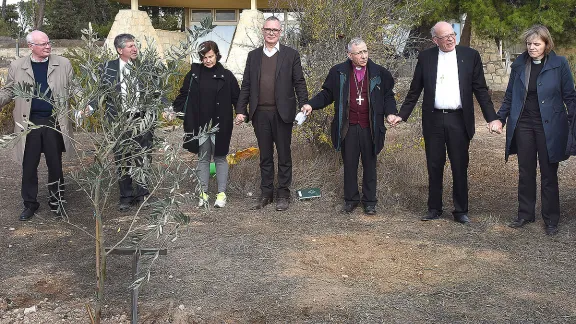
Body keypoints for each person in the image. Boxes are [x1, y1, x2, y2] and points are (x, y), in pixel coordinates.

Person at [389, 21, 500, 224]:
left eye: (452, 34)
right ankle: (434, 208)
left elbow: (481, 91)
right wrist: (402, 115)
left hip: (459, 119)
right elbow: (415, 90)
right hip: (434, 119)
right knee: (434, 164)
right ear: (435, 40)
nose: (450, 39)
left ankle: (460, 211)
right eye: (444, 36)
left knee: (459, 165)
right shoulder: (426, 58)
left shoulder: (470, 56)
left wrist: (492, 118)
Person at [490, 25, 576, 236]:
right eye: (529, 44)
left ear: (547, 44)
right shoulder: (519, 64)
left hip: (551, 126)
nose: (531, 47)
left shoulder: (560, 64)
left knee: (549, 173)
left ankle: (551, 219)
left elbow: (570, 97)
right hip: (524, 124)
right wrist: (499, 118)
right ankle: (525, 214)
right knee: (525, 171)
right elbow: (510, 95)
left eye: (536, 44)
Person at [301, 38, 397, 214]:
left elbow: (388, 96)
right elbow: (327, 94)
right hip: (348, 126)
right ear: (349, 55)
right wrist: (311, 105)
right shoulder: (338, 72)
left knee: (369, 164)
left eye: (365, 51)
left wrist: (391, 113)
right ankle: (351, 199)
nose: (363, 56)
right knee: (350, 164)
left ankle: (369, 202)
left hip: (370, 127)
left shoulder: (379, 72)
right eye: (359, 53)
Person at [235, 16, 308, 211]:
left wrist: (304, 103)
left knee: (284, 155)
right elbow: (246, 85)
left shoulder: (291, 55)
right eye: (268, 29)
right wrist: (241, 110)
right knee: (265, 156)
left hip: (282, 114)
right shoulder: (253, 56)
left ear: (280, 32)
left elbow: (299, 81)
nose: (271, 33)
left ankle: (283, 194)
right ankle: (266, 194)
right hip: (260, 114)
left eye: (275, 30)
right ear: (263, 30)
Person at [0, 30, 73, 221]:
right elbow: (9, 90)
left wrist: (87, 104)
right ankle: (30, 204)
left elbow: (75, 88)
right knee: (29, 165)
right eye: (43, 44)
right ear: (30, 47)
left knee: (55, 164)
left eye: (49, 42)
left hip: (53, 122)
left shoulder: (63, 64)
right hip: (27, 124)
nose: (48, 46)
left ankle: (56, 202)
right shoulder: (17, 66)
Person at [87, 34, 163, 212]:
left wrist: (165, 108)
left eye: (135, 45)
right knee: (122, 159)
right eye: (130, 46)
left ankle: (142, 194)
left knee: (143, 157)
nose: (135, 49)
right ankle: (126, 197)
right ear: (120, 50)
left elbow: (158, 91)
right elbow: (99, 92)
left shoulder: (146, 67)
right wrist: (89, 109)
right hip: (119, 121)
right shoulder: (107, 68)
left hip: (143, 120)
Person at [169, 41, 239, 208]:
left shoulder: (227, 75)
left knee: (221, 157)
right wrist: (172, 110)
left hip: (220, 124)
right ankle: (203, 193)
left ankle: (221, 194)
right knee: (203, 158)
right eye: (204, 57)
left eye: (210, 56)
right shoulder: (193, 75)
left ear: (217, 55)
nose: (207, 60)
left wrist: (241, 112)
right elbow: (183, 96)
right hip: (198, 125)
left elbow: (237, 97)